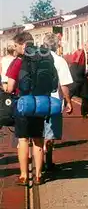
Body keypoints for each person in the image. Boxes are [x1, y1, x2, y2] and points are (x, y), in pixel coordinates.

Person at [5, 31, 59, 185]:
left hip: (23, 103)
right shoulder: (44, 58)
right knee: (38, 140)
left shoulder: (17, 63)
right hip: (41, 103)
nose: (15, 49)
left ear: (23, 44)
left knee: (22, 139)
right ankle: (39, 175)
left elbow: (10, 87)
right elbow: (54, 83)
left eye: (16, 46)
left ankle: (23, 175)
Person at [42, 33, 73, 172]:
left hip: (37, 101)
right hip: (53, 101)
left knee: (38, 133)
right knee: (50, 134)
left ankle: (38, 165)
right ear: (56, 45)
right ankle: (48, 162)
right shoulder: (60, 61)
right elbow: (64, 85)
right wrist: (68, 101)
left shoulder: (35, 59)